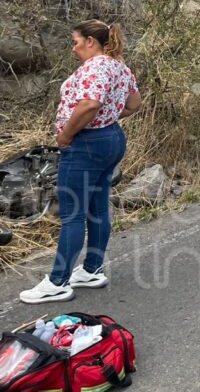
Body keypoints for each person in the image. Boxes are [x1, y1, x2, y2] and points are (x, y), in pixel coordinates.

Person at [19, 20, 142, 305]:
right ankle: (91, 270)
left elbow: (90, 103)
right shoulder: (119, 66)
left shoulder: (96, 67)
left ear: (91, 41)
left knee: (72, 215)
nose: (73, 48)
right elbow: (135, 104)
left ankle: (57, 282)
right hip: (110, 139)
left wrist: (66, 135)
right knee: (97, 206)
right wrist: (108, 121)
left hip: (86, 143)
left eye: (75, 42)